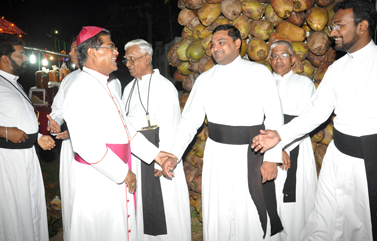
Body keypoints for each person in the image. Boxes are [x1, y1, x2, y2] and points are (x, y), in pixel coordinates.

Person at [252, 0, 377, 241]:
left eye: (339, 25)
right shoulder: (337, 69)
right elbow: (316, 113)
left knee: (365, 228)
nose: (333, 33)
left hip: (373, 161)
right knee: (324, 221)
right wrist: (280, 136)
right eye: (333, 26)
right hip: (337, 157)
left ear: (362, 27)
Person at [162, 24, 284, 240]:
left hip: (252, 151)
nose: (215, 47)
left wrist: (272, 158)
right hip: (216, 154)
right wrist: (173, 154)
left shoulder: (259, 73)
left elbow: (274, 117)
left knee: (250, 211)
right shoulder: (204, 80)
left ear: (237, 44)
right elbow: (189, 122)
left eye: (221, 42)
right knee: (218, 209)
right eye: (213, 44)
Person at [62, 26, 174, 241]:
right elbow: (86, 145)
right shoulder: (81, 88)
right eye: (111, 47)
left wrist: (156, 155)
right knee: (102, 229)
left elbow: (126, 129)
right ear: (93, 53)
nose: (116, 53)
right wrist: (122, 173)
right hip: (97, 176)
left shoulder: (105, 84)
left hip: (113, 171)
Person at [47, 37, 122, 241]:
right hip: (70, 148)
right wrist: (55, 121)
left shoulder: (110, 80)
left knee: (96, 203)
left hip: (97, 148)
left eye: (73, 49)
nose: (71, 53)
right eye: (71, 49)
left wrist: (73, 132)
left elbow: (114, 121)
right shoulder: (69, 79)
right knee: (72, 195)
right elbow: (58, 108)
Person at [122, 39, 191, 240]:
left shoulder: (164, 86)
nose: (128, 64)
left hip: (159, 152)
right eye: (126, 60)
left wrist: (164, 158)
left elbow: (172, 125)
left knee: (164, 205)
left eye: (132, 59)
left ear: (147, 58)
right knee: (140, 207)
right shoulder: (129, 88)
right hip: (136, 154)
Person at [0, 34, 55, 241]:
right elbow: (9, 127)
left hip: (27, 156)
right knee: (13, 213)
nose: (25, 58)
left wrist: (39, 136)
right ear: (5, 58)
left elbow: (20, 119)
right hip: (7, 161)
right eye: (20, 54)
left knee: (30, 208)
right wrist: (4, 132)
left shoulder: (13, 83)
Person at [269, 40, 317, 241]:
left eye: (284, 55)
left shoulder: (304, 84)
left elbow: (308, 120)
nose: (279, 60)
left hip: (296, 147)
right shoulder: (263, 83)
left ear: (293, 59)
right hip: (267, 149)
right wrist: (274, 149)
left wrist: (283, 145)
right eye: (275, 56)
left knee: (293, 208)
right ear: (270, 60)